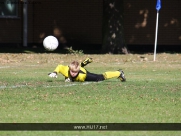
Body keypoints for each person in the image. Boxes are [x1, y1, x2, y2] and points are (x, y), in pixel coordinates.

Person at [48, 58, 126, 82]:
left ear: (78, 71)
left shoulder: (82, 75)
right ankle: (84, 62)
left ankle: (119, 73)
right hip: (80, 68)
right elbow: (59, 66)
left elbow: (77, 79)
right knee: (78, 67)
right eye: (72, 71)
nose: (73, 73)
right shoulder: (66, 69)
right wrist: (54, 72)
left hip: (85, 73)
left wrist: (70, 79)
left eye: (75, 72)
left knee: (100, 77)